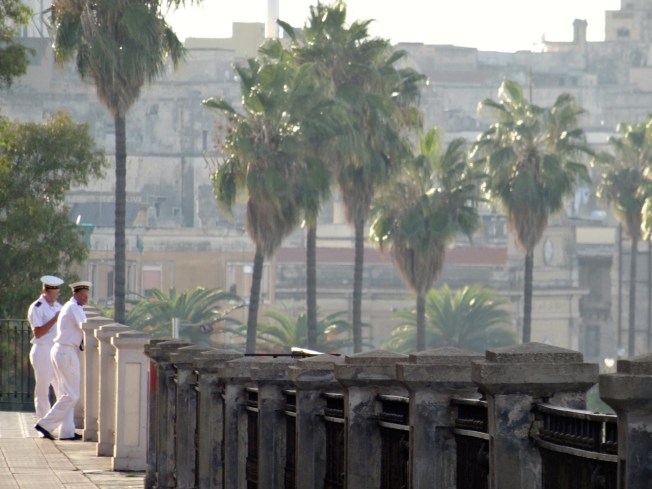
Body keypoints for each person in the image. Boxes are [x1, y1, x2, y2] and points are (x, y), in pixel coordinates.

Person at [34, 280, 91, 441]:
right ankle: (45, 424)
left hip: (62, 350)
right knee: (72, 395)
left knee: (66, 393)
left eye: (87, 295)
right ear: (76, 294)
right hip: (66, 352)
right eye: (84, 295)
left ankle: (67, 431)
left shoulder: (70, 306)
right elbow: (85, 326)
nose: (86, 298)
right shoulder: (74, 307)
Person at [27, 275, 64, 421]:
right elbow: (38, 332)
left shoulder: (58, 306)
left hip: (56, 349)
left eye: (57, 293)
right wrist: (54, 319)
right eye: (52, 293)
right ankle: (42, 422)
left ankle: (61, 423)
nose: (55, 296)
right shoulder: (37, 307)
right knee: (43, 389)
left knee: (61, 388)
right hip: (42, 349)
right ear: (45, 291)